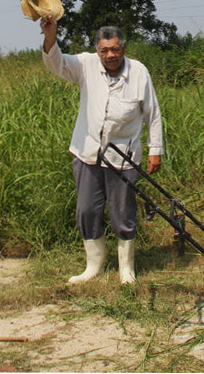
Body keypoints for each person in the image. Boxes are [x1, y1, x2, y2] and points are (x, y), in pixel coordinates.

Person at [39, 16, 164, 285]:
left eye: (115, 50)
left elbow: (152, 113)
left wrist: (156, 149)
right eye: (104, 50)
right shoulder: (85, 64)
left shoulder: (139, 72)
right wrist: (51, 36)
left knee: (123, 212)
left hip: (124, 156)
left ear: (124, 49)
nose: (110, 55)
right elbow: (56, 63)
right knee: (87, 210)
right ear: (97, 50)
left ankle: (126, 270)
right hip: (87, 153)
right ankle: (93, 266)